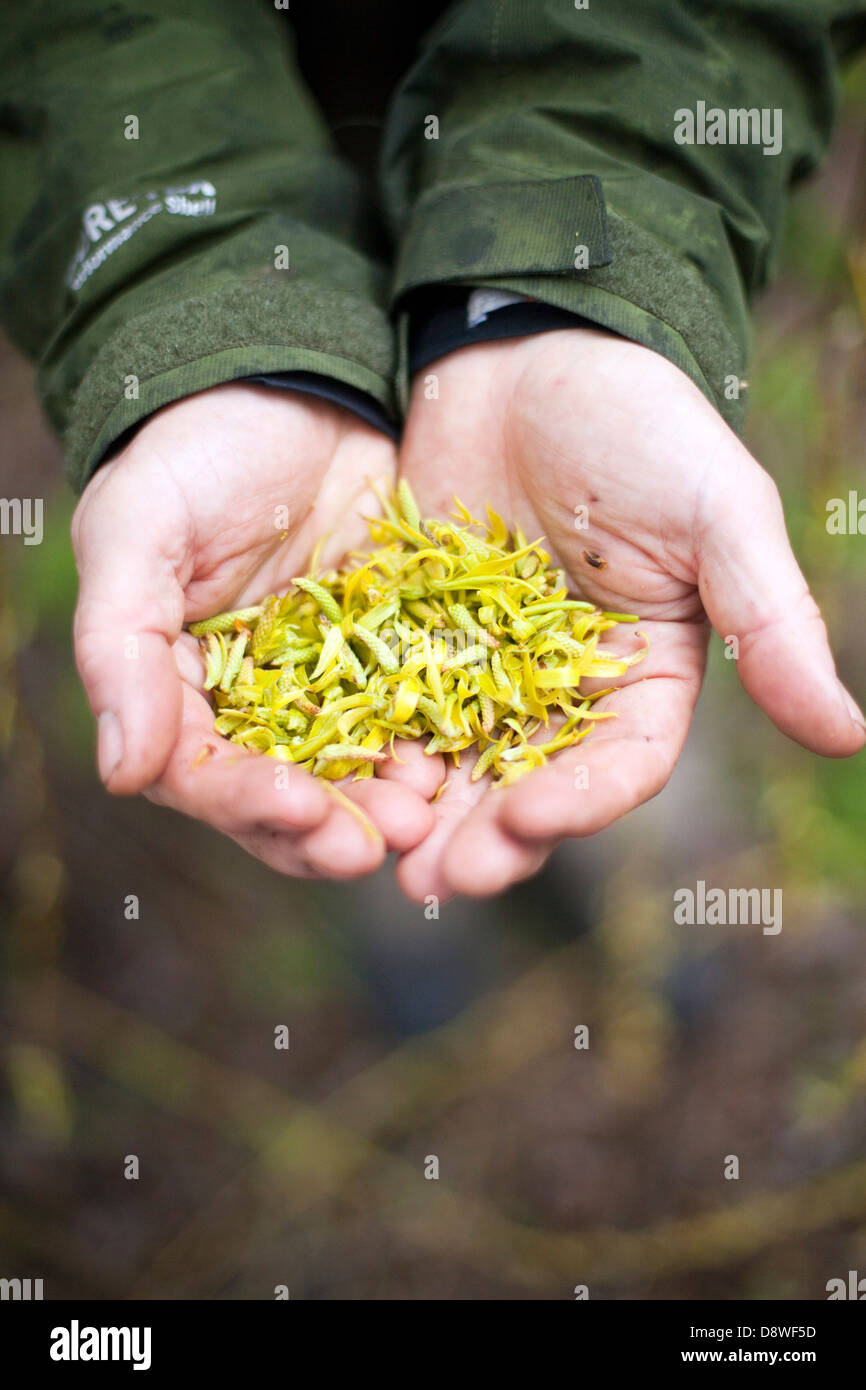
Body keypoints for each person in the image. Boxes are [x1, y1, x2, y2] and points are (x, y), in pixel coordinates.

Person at [2, 0, 864, 901]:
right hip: (283, 196)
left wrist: (568, 291)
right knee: (378, 805)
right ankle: (423, 952)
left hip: (535, 196)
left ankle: (645, 923)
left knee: (615, 720)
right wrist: (201, 333)